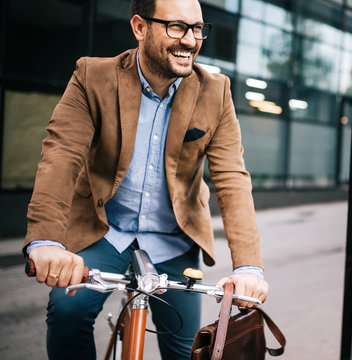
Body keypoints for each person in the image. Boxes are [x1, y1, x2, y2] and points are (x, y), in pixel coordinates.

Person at [22, 0, 269, 359]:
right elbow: (61, 156)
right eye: (176, 27)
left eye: (198, 28)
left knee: (186, 350)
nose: (190, 40)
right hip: (105, 230)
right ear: (139, 27)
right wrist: (46, 241)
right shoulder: (93, 77)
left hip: (173, 239)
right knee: (67, 312)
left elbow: (232, 178)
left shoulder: (215, 91)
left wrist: (248, 268)